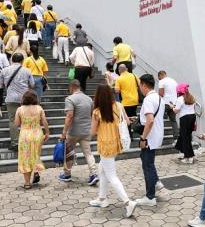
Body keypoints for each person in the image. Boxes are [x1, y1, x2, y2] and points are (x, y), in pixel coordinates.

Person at [89, 84, 137, 217]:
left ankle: (128, 202)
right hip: (116, 143)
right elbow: (127, 122)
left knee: (111, 175)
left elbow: (93, 131)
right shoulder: (119, 105)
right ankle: (102, 199)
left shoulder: (97, 112)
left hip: (105, 145)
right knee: (102, 170)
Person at [58, 80, 98, 185]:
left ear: (72, 87)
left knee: (69, 153)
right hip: (86, 131)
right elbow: (92, 114)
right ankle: (93, 174)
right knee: (88, 153)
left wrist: (64, 132)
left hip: (73, 132)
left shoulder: (70, 99)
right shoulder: (89, 99)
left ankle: (67, 174)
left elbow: (69, 116)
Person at [135, 74, 165, 207]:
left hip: (149, 137)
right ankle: (157, 182)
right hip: (156, 135)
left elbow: (150, 120)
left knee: (147, 165)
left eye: (140, 85)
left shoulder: (148, 100)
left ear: (144, 85)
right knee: (148, 161)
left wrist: (143, 137)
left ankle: (150, 197)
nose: (139, 88)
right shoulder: (159, 97)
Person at [0, 53, 35, 151]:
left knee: (13, 121)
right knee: (27, 120)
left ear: (11, 60)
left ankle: (15, 143)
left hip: (11, 99)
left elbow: (0, 85)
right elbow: (32, 85)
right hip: (25, 99)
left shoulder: (4, 70)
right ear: (22, 61)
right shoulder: (27, 71)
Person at [15, 90, 50, 189]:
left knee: (25, 156)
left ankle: (27, 183)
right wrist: (47, 133)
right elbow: (44, 121)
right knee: (35, 154)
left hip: (25, 135)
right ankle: (36, 172)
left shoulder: (20, 109)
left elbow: (16, 124)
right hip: (37, 134)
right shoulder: (39, 108)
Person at [173, 83, 196, 164]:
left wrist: (172, 107)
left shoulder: (180, 99)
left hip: (184, 118)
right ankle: (189, 155)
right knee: (187, 137)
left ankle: (188, 157)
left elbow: (176, 111)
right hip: (192, 117)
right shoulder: (191, 97)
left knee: (185, 138)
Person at [157, 71, 178, 140]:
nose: (159, 79)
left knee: (158, 118)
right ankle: (176, 136)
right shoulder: (174, 81)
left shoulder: (162, 81)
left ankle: (158, 135)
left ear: (160, 75)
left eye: (158, 77)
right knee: (173, 120)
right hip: (173, 103)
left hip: (165, 103)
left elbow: (161, 94)